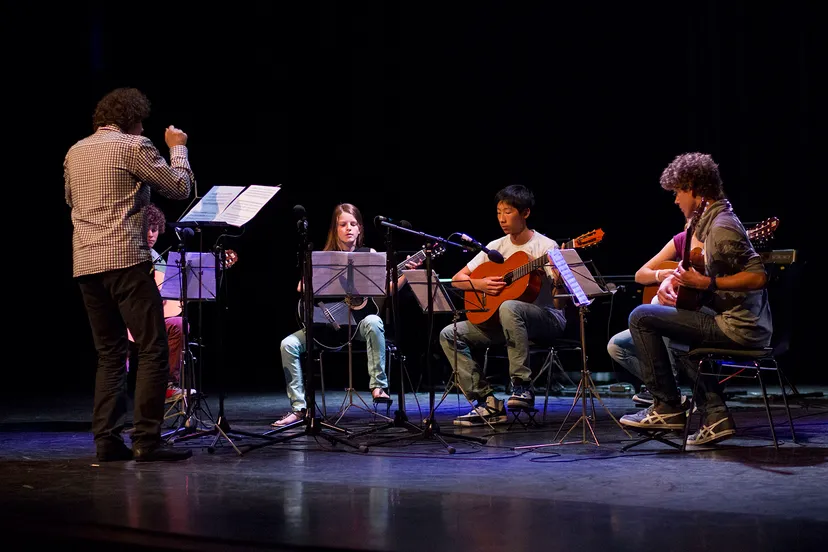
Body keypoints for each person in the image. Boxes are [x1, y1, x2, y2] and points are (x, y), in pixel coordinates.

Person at [65, 87, 194, 462]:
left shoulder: (75, 151)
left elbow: (72, 200)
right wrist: (178, 147)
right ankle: (147, 441)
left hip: (86, 264)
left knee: (110, 353)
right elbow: (180, 187)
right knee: (153, 348)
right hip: (125, 259)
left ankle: (106, 440)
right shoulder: (134, 146)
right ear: (133, 119)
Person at [620, 153, 772, 445]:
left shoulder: (722, 227)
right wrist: (676, 281)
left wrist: (707, 282)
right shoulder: (707, 223)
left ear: (694, 188)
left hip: (739, 327)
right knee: (678, 334)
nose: (676, 200)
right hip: (730, 320)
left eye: (678, 192)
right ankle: (715, 417)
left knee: (641, 317)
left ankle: (667, 407)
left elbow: (758, 277)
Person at [272, 203, 421, 427]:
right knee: (288, 344)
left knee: (373, 320)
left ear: (360, 228)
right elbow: (301, 288)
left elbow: (385, 289)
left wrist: (407, 274)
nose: (348, 228)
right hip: (324, 326)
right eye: (343, 224)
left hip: (356, 328)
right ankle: (299, 408)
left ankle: (378, 386)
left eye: (353, 224)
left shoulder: (368, 255)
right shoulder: (324, 257)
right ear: (335, 229)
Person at [439, 185, 567, 426]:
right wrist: (480, 283)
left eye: (507, 212)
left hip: (547, 319)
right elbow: (458, 279)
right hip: (503, 321)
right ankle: (487, 402)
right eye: (498, 212)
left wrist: (559, 283)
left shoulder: (546, 247)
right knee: (450, 333)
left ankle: (522, 386)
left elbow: (560, 303)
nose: (501, 218)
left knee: (510, 306)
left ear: (525, 213)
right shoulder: (495, 247)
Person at [606, 216, 700, 405]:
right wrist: (662, 274)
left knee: (659, 310)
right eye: (688, 225)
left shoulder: (712, 247)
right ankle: (664, 388)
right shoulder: (680, 240)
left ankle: (668, 394)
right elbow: (640, 275)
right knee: (616, 346)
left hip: (693, 318)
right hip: (668, 316)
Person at [125, 203, 188, 401]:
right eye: (146, 230)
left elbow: (169, 291)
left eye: (154, 230)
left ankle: (169, 384)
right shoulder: (127, 253)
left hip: (155, 318)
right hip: (130, 318)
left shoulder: (157, 257)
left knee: (179, 324)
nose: (151, 235)